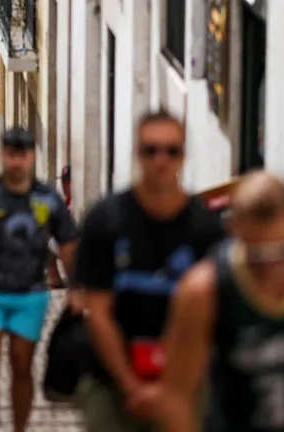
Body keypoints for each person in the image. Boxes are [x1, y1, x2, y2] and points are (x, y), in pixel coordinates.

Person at [75, 111, 225, 430]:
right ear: (137, 153)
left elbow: (212, 321)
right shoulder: (105, 221)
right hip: (112, 381)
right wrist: (131, 385)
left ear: (183, 156)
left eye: (171, 151)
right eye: (151, 150)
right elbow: (98, 313)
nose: (161, 161)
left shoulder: (207, 231)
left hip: (185, 384)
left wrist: (171, 388)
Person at [160, 172, 284, 432]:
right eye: (256, 257)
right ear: (235, 231)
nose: (270, 267)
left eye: (280, 254)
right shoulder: (205, 288)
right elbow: (178, 395)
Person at [0, 127, 80, 432]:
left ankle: (20, 428)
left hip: (31, 293)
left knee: (22, 364)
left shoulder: (48, 199)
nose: (17, 162)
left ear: (32, 156)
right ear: (2, 155)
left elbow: (69, 246)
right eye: (11, 154)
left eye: (23, 155)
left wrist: (77, 289)